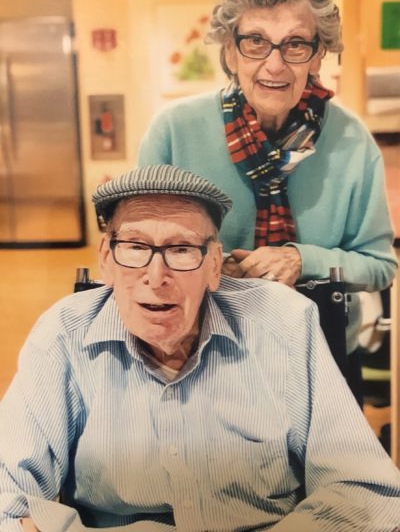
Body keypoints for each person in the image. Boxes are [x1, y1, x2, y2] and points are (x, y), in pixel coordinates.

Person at [1, 164, 399, 532]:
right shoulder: (63, 333)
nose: (156, 278)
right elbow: (6, 494)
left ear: (214, 265)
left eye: (181, 250)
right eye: (135, 247)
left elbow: (365, 488)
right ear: (107, 258)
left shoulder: (284, 322)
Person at [138, 0, 398, 405]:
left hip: (322, 357)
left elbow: (381, 266)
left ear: (318, 55)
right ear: (229, 51)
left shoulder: (353, 143)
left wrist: (301, 259)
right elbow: (139, 259)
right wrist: (205, 266)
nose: (275, 66)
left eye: (295, 44)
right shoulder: (173, 132)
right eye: (255, 41)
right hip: (197, 357)